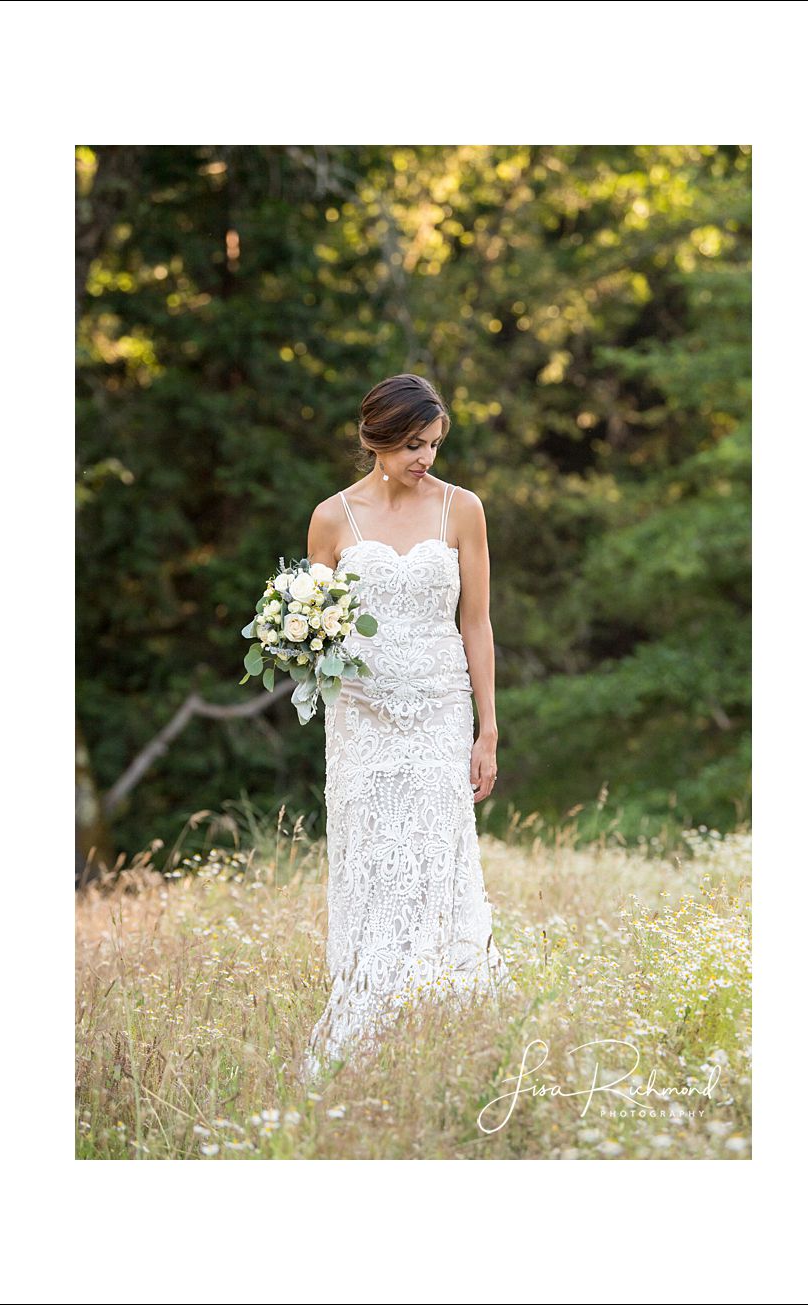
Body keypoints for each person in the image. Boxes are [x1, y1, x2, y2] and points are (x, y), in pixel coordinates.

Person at [299, 373, 517, 1081]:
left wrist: (487, 728)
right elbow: (316, 629)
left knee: (432, 861)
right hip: (360, 719)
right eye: (411, 444)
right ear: (375, 440)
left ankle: (442, 1026)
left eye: (432, 443)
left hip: (439, 711)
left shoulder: (462, 508)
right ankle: (365, 1027)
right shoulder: (332, 518)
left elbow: (475, 621)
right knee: (370, 865)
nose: (425, 457)